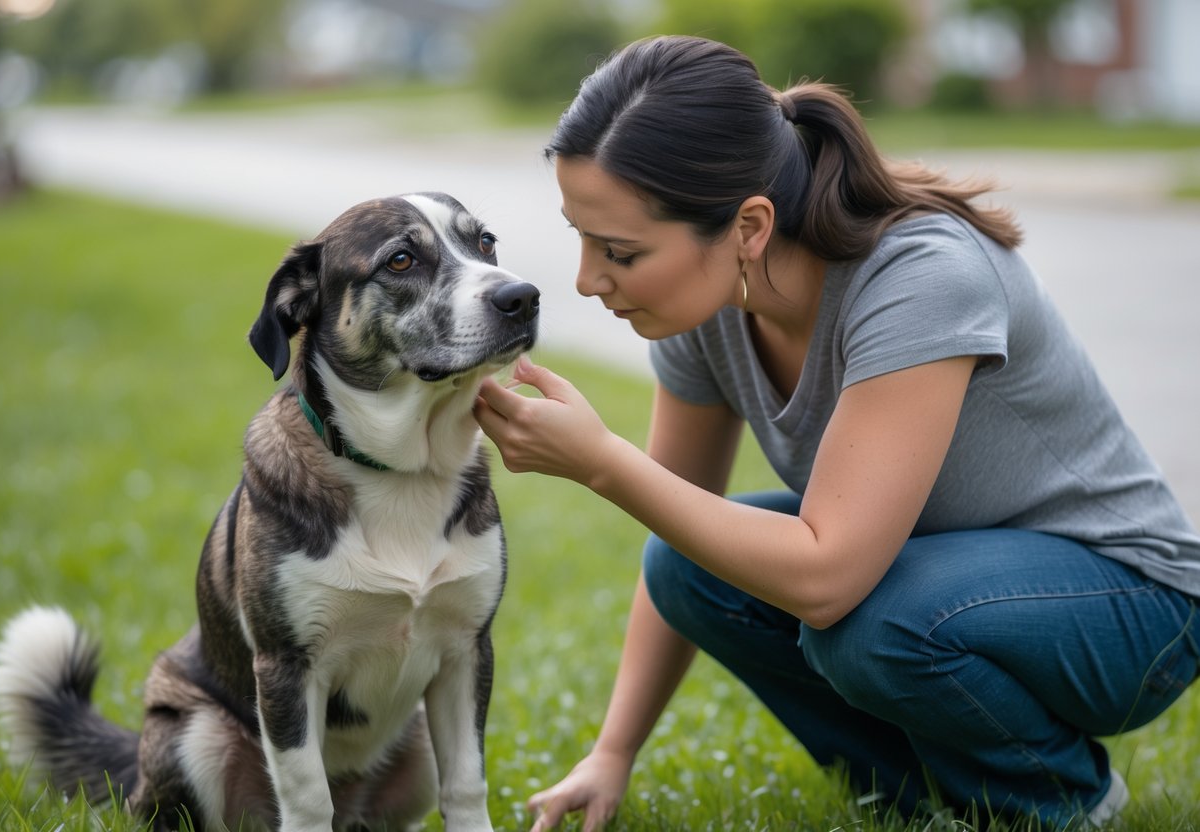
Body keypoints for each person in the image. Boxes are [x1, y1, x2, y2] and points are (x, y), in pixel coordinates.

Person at [473, 34, 1200, 830]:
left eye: (619, 250)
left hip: (1128, 603)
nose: (586, 278)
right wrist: (612, 751)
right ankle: (926, 800)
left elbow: (828, 577)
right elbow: (677, 531)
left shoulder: (921, 276)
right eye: (580, 236)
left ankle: (1061, 801)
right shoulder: (705, 307)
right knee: (689, 570)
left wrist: (600, 461)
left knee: (868, 624)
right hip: (938, 586)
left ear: (748, 226)